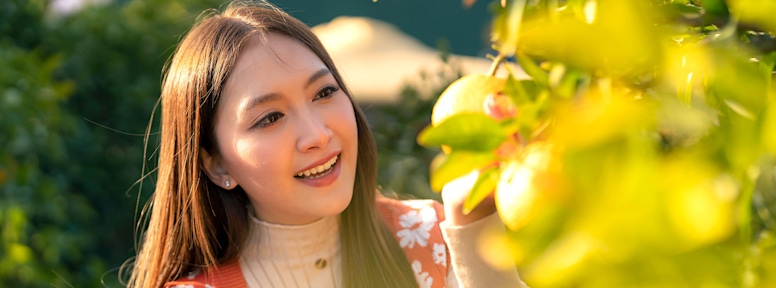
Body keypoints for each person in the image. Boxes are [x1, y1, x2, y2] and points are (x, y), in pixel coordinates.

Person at [125, 1, 526, 287]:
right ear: (218, 165)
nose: (317, 134)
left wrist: (472, 224)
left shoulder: (430, 239)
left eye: (323, 93)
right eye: (270, 118)